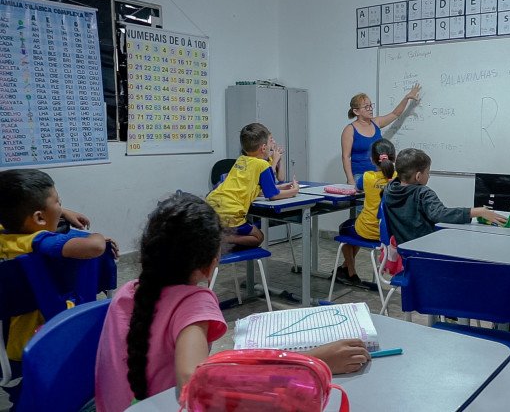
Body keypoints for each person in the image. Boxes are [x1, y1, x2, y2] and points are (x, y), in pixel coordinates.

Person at [94, 192, 370, 411]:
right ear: (212, 263)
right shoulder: (194, 303)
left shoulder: (128, 291)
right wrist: (314, 361)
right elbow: (193, 383)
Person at [0, 169, 117, 361]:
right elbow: (94, 247)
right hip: (45, 336)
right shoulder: (39, 241)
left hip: (12, 332)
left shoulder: (7, 232)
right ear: (38, 218)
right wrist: (100, 237)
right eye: (58, 202)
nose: (60, 206)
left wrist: (61, 211)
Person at [382, 148, 507, 244]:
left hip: (403, 251)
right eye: (428, 172)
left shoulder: (389, 190)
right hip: (425, 249)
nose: (429, 176)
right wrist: (477, 211)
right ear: (418, 176)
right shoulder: (422, 193)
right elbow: (440, 214)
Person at [206, 123, 299, 248]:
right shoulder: (262, 165)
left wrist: (282, 187)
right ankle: (224, 238)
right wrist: (294, 191)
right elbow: (272, 195)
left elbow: (252, 188)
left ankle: (221, 235)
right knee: (258, 237)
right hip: (230, 212)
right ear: (264, 148)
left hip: (212, 205)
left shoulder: (241, 160)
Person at [335, 139, 396, 285]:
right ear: (394, 157)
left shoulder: (368, 176)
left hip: (368, 230)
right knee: (354, 226)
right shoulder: (399, 178)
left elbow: (358, 188)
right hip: (389, 234)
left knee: (345, 228)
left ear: (372, 159)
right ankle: (344, 268)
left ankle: (350, 272)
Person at [341, 84, 421, 185]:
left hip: (380, 174)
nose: (370, 109)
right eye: (366, 107)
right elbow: (345, 157)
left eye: (370, 105)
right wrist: (350, 179)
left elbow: (395, 114)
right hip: (360, 176)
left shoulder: (376, 122)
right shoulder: (350, 129)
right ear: (356, 111)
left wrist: (406, 98)